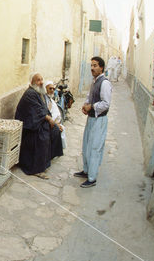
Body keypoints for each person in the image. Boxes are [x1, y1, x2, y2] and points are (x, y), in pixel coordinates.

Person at [74, 56, 112, 188]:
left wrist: (93, 107)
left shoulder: (105, 83)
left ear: (101, 67)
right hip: (91, 119)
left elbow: (106, 103)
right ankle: (86, 170)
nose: (92, 68)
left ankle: (92, 178)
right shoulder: (94, 81)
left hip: (99, 120)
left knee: (95, 148)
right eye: (91, 65)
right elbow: (89, 97)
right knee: (86, 146)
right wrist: (86, 105)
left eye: (95, 65)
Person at [15, 73, 61, 179]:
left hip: (36, 121)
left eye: (41, 80)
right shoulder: (30, 93)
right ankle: (36, 169)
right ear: (32, 82)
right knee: (43, 137)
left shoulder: (38, 92)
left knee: (55, 131)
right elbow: (36, 111)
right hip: (29, 125)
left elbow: (43, 109)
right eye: (38, 80)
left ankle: (45, 162)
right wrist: (49, 119)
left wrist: (50, 119)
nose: (41, 82)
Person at [45, 80, 65, 159]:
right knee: (56, 129)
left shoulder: (51, 101)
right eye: (50, 88)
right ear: (45, 89)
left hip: (53, 122)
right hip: (47, 122)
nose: (52, 90)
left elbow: (57, 115)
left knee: (61, 128)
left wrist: (58, 123)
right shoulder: (44, 99)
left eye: (53, 89)